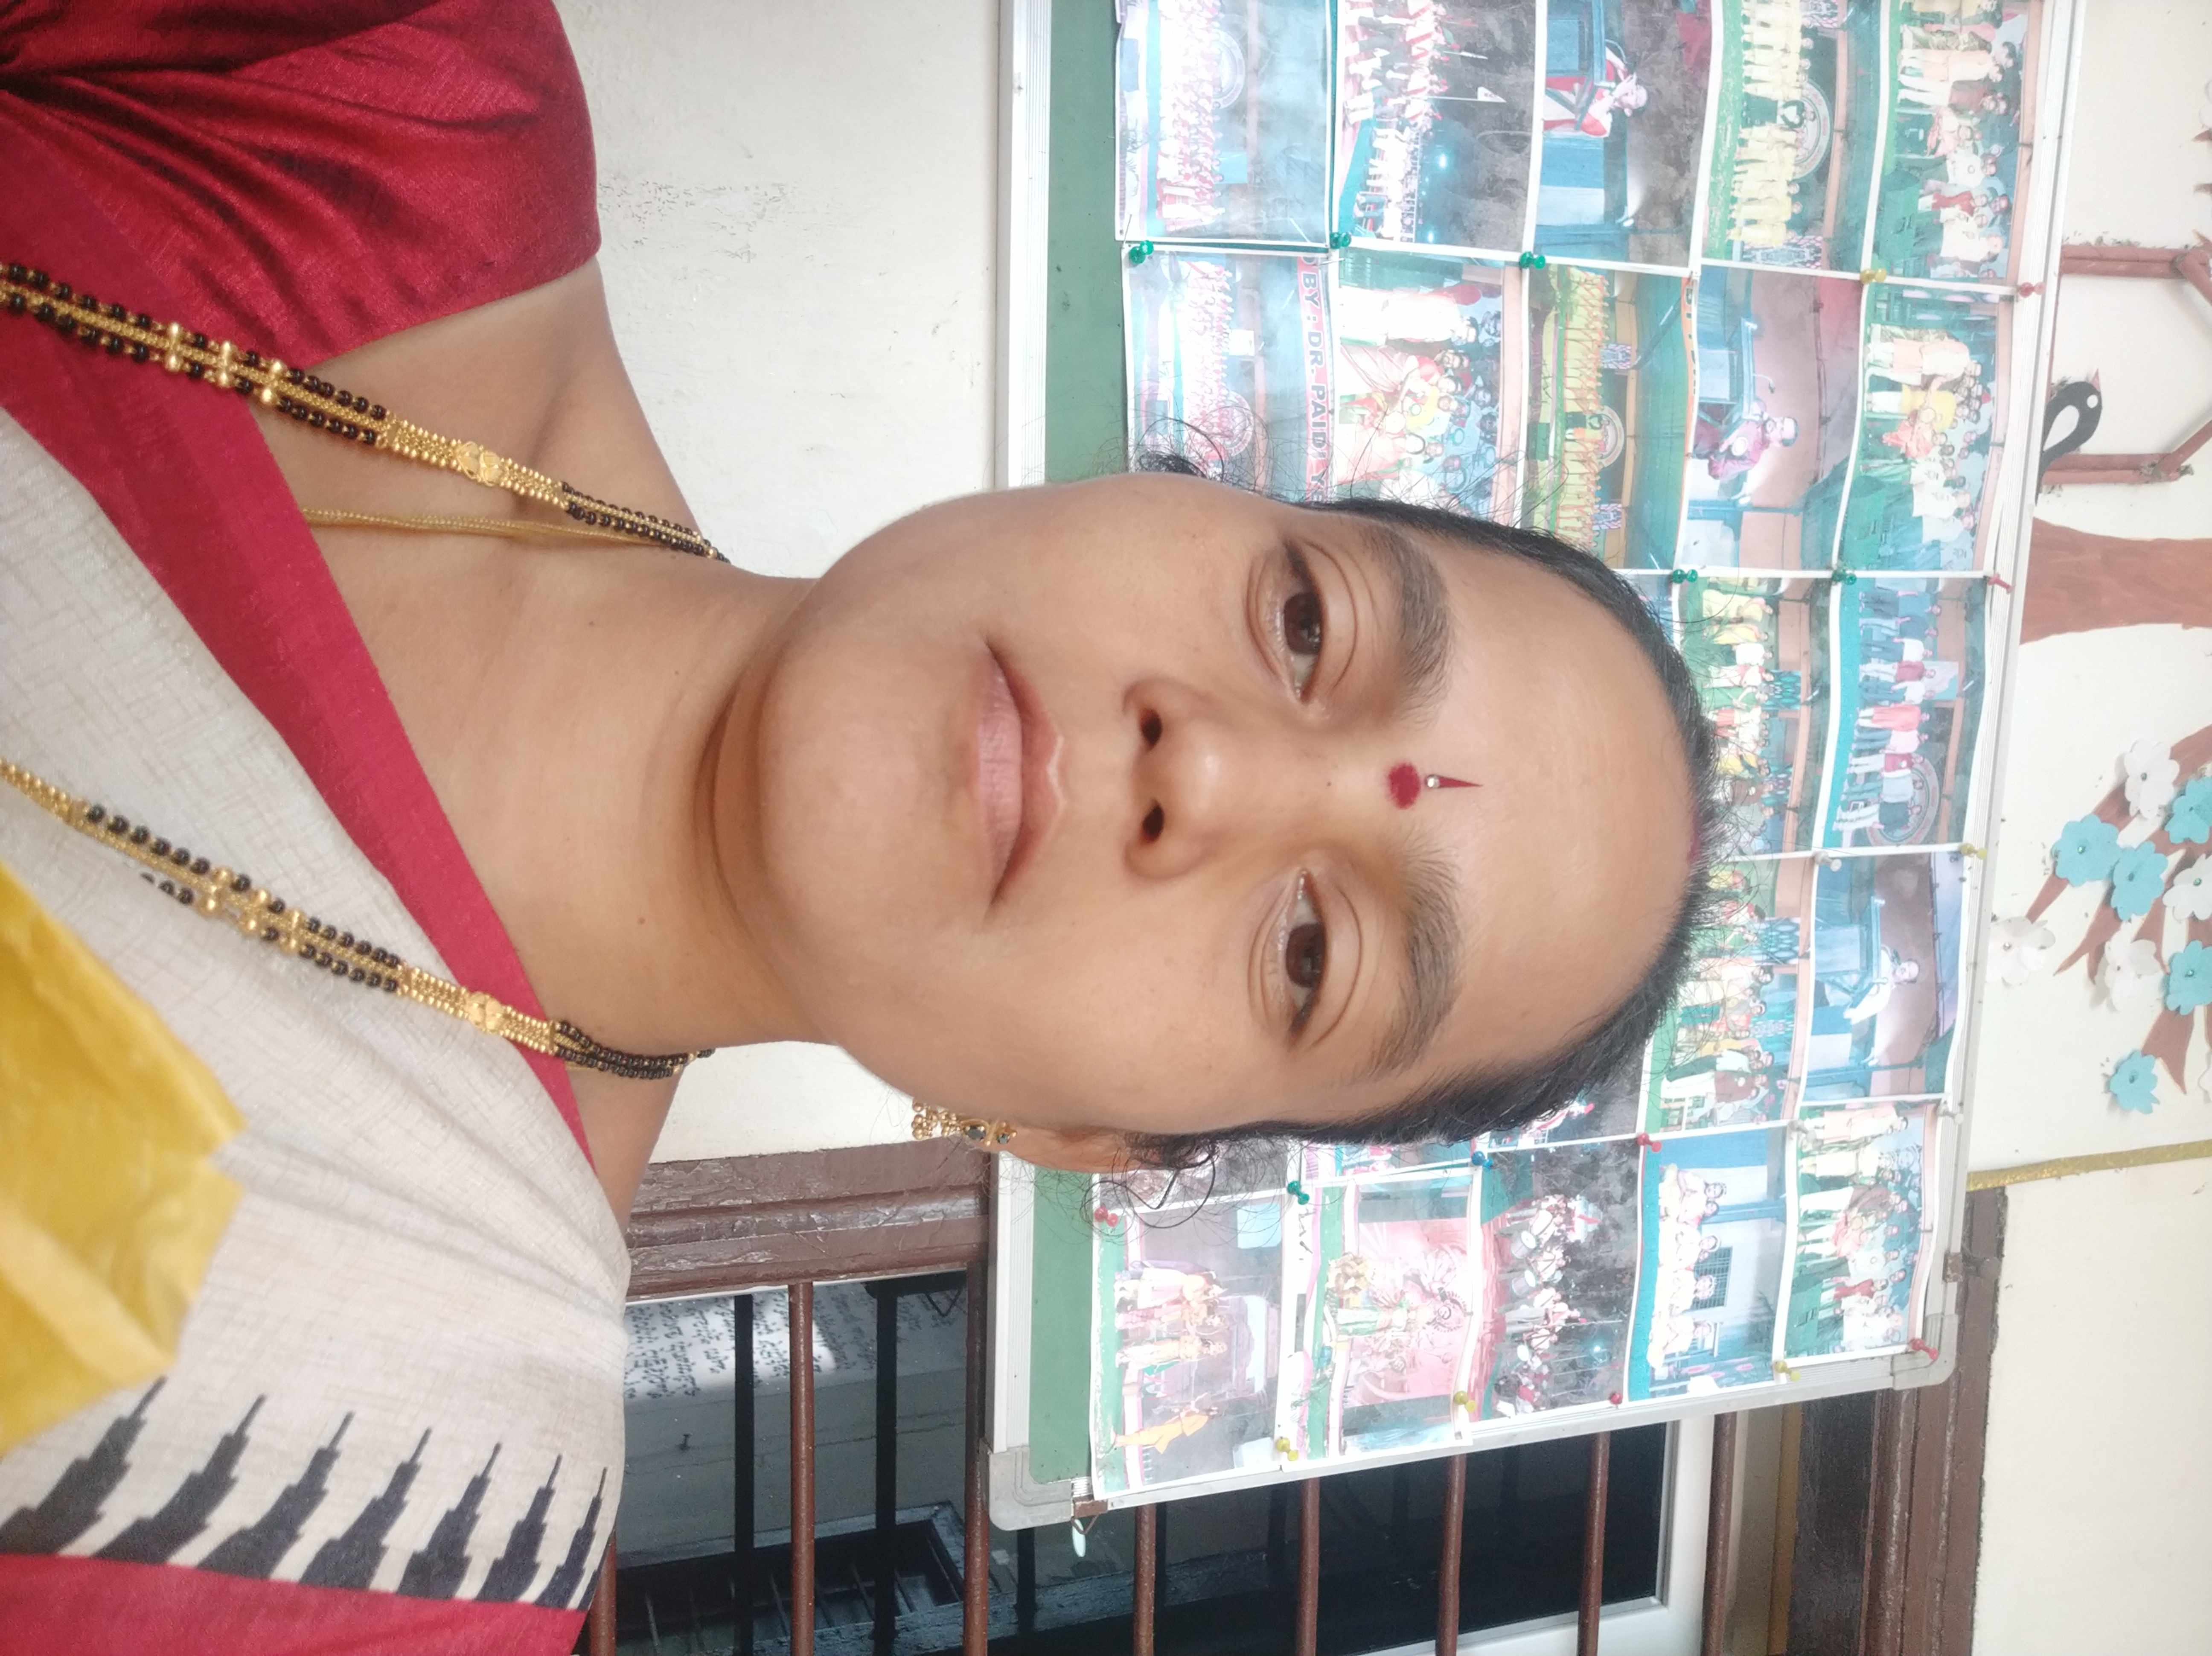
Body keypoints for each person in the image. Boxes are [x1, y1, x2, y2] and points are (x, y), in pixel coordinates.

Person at [0, 3, 1717, 1646]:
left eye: (1312, 952)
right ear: (1160, 485)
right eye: (1305, 622)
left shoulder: (372, 1520)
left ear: (1085, 1139)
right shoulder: (384, 100)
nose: (1207, 774)